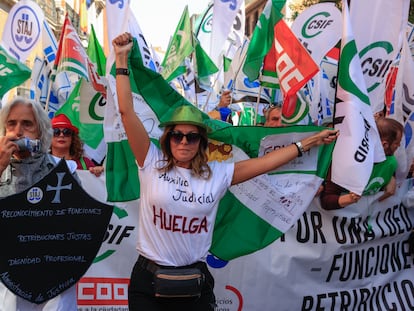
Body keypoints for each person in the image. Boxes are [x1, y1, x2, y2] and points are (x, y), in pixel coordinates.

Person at [113, 32, 339, 311]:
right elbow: (126, 113)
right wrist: (122, 60)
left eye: (192, 137)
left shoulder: (217, 174)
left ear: (201, 143)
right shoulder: (151, 162)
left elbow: (267, 163)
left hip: (194, 283)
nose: (184, 141)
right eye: (177, 135)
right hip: (148, 282)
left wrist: (307, 143)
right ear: (168, 139)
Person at [0, 97, 78, 310]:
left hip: (54, 281)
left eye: (27, 124)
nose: (17, 132)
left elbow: (78, 225)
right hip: (7, 280)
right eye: (11, 124)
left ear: (41, 131)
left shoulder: (63, 171)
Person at [320, 117, 404, 210]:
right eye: (397, 143)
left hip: (368, 222)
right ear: (384, 145)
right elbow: (326, 201)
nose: (399, 145)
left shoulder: (391, 162)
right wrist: (349, 199)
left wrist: (391, 179)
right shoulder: (344, 161)